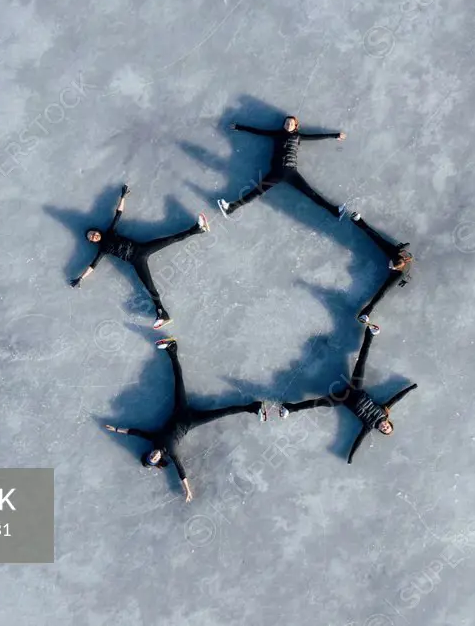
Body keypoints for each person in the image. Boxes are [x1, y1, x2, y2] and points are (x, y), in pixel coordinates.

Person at [103, 338, 269, 502]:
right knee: (224, 412)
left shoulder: (155, 440)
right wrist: (188, 491)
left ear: (150, 452)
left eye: (150, 456)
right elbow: (181, 472)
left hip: (179, 409)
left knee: (178, 381)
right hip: (192, 421)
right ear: (159, 460)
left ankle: (172, 350)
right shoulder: (172, 453)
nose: (153, 455)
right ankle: (252, 407)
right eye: (154, 459)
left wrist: (117, 429)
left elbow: (136, 432)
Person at [69, 184, 210, 329]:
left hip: (143, 249)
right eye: (91, 237)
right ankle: (162, 313)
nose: (93, 235)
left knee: (170, 239)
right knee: (150, 287)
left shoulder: (110, 232)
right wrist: (80, 278)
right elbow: (93, 266)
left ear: (96, 231)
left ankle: (198, 229)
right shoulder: (102, 250)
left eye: (93, 233)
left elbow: (118, 214)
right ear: (92, 241)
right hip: (137, 262)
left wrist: (122, 197)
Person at [277, 327, 418, 464]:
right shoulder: (384, 410)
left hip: (343, 399)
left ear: (380, 430)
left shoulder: (368, 426)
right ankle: (370, 334)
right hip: (355, 389)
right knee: (361, 362)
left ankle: (290, 408)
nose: (384, 428)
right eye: (387, 427)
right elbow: (396, 398)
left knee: (317, 403)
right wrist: (410, 388)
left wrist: (350, 456)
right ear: (388, 423)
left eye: (384, 430)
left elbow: (358, 440)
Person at [217, 115, 348, 219]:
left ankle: (335, 211)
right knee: (257, 191)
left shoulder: (298, 137)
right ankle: (231, 207)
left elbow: (316, 136)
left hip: (291, 173)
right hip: (276, 172)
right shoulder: (277, 134)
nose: (288, 125)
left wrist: (335, 135)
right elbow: (258, 131)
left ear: (295, 126)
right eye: (286, 123)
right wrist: (240, 127)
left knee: (311, 194)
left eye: (291, 123)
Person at [349, 211, 414, 325]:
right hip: (397, 255)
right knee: (377, 239)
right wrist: (402, 251)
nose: (391, 267)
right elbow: (404, 248)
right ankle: (359, 222)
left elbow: (382, 293)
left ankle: (366, 313)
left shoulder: (400, 274)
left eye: (394, 267)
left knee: (381, 293)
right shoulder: (397, 253)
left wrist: (403, 278)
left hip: (399, 274)